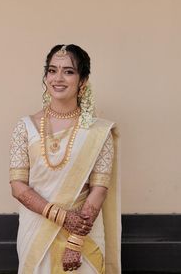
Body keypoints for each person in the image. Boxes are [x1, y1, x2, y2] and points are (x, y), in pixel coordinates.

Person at [9, 44, 121, 274]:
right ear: (45, 76)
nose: (58, 78)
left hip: (82, 237)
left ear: (83, 80)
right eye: (52, 70)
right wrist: (61, 216)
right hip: (36, 233)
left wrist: (75, 240)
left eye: (68, 71)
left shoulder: (99, 132)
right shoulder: (25, 127)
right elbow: (18, 187)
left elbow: (99, 190)